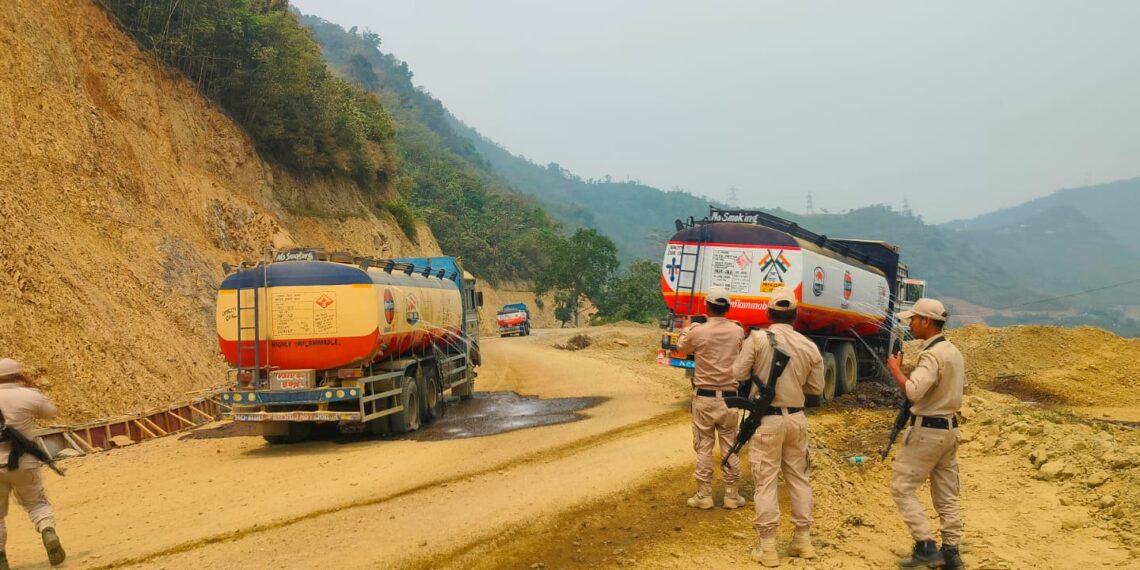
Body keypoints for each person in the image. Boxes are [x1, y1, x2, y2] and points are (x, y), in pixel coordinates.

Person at [731, 287, 824, 567]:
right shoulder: (809, 346)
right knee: (799, 478)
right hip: (796, 418)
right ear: (795, 316)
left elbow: (737, 373)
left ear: (769, 314)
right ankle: (803, 541)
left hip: (767, 420)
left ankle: (768, 547)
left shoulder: (758, 339)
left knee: (766, 481)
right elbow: (816, 388)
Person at [885, 298, 965, 569]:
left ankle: (925, 545)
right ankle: (952, 551)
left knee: (902, 487)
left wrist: (895, 370)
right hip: (950, 429)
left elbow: (914, 392)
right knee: (946, 494)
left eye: (914, 319)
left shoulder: (931, 354)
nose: (911, 324)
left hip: (927, 431)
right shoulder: (953, 351)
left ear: (926, 321)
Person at [675, 286, 746, 510]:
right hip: (730, 399)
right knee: (730, 446)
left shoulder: (698, 330)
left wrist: (689, 327)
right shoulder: (737, 331)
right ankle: (732, 496)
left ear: (707, 307)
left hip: (704, 399)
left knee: (704, 447)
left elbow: (681, 347)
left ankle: (704, 495)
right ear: (728, 308)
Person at [0, 359, 65, 569]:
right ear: (18, 375)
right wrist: (33, 388)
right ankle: (47, 531)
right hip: (25, 461)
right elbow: (51, 412)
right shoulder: (27, 396)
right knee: (37, 504)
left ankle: (1, 558)